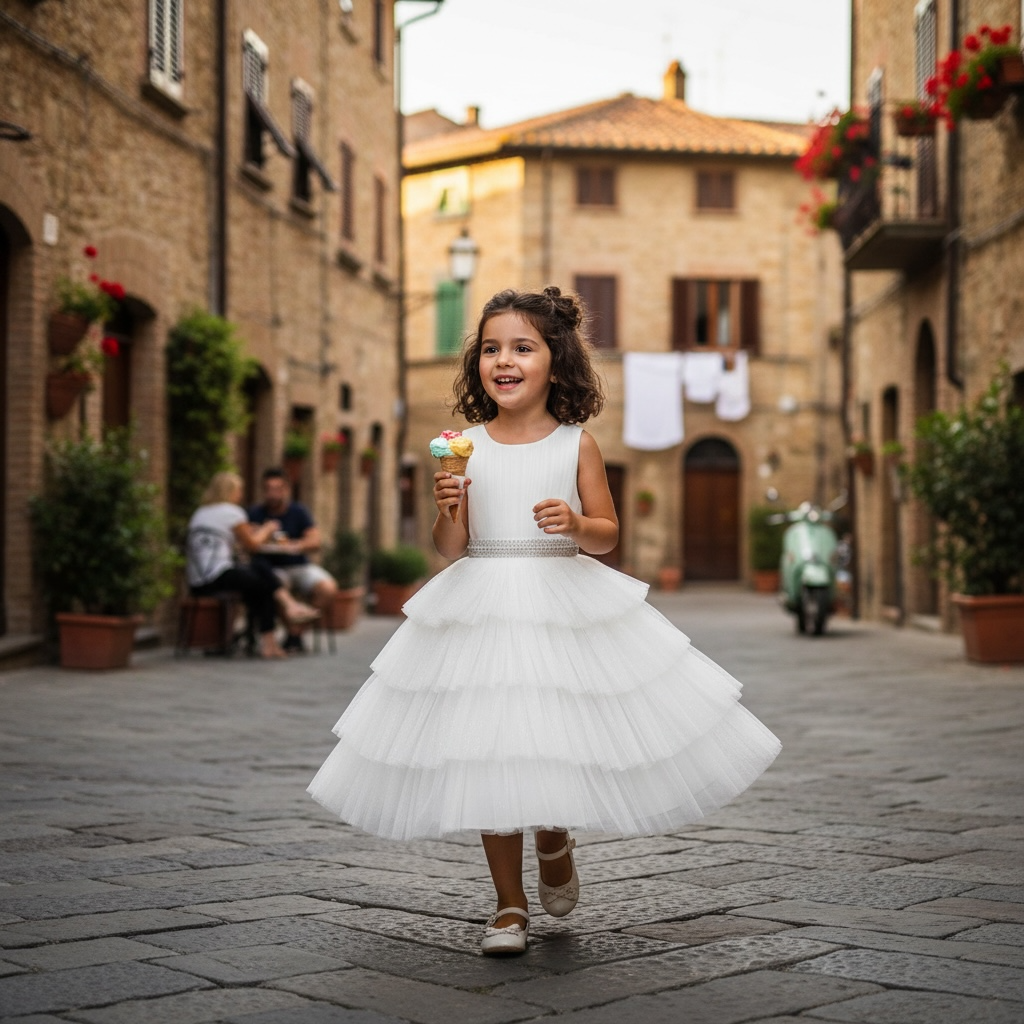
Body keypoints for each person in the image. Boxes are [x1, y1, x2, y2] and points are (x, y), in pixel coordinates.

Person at [307, 287, 781, 956]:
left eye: (522, 348)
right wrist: (449, 506)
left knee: (551, 736)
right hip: (483, 604)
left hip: (559, 601)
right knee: (488, 749)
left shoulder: (574, 445)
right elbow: (452, 548)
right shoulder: (461, 448)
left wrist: (575, 522)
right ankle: (507, 905)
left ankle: (555, 834)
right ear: (478, 364)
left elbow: (607, 535)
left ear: (555, 365)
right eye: (491, 348)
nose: (504, 360)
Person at [187, 472, 320, 660]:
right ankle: (277, 627)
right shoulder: (232, 512)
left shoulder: (201, 512)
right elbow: (253, 545)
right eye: (239, 490)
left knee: (258, 578)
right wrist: (267, 529)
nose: (241, 494)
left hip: (197, 579)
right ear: (231, 491)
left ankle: (268, 633)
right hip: (217, 575)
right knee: (263, 579)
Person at [249, 468, 338, 653]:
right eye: (268, 489)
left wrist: (296, 545)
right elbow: (250, 541)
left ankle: (296, 632)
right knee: (276, 585)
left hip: (299, 564)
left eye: (277, 488)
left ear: (286, 489)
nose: (272, 494)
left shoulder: (298, 512)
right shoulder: (256, 513)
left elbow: (315, 540)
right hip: (271, 566)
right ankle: (293, 634)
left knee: (328, 588)